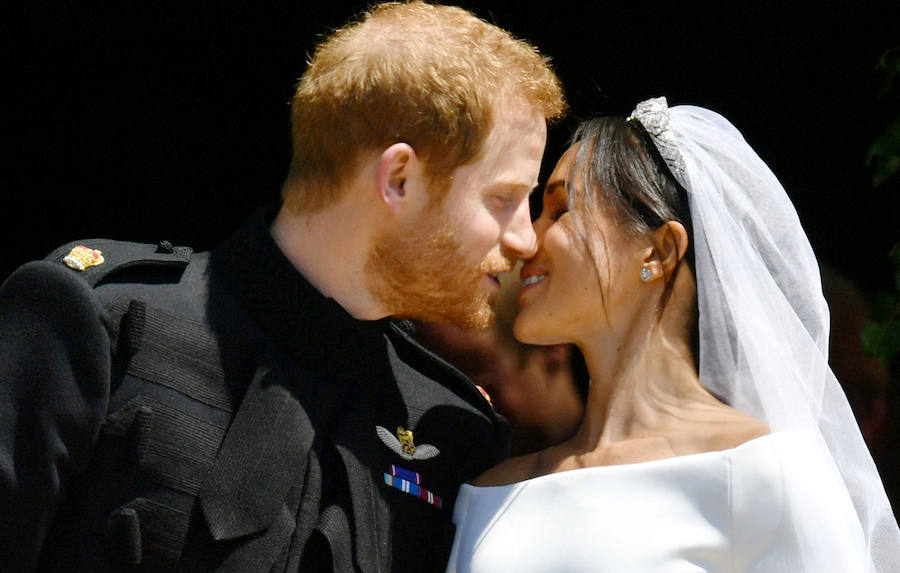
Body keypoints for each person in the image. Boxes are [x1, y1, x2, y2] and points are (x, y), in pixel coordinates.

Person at [0, 2, 565, 571]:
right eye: (503, 199)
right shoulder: (103, 323)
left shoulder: (452, 429)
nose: (524, 239)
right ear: (399, 179)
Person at [447, 98, 900, 572]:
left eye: (560, 211)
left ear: (659, 252)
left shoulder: (766, 474)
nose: (526, 240)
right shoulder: (489, 494)